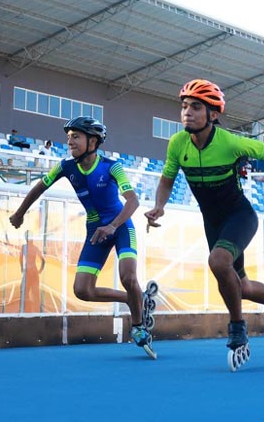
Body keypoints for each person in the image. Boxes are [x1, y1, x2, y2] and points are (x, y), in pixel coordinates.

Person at [143, 79, 264, 372]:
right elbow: (167, 179)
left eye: (196, 107)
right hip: (212, 222)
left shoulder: (230, 142)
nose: (187, 113)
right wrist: (159, 206)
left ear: (213, 114)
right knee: (240, 286)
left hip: (239, 216)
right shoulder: (177, 144)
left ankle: (237, 328)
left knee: (218, 261)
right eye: (184, 106)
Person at [9, 116, 160, 359]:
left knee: (128, 276)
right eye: (68, 137)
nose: (70, 141)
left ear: (94, 141)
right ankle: (136, 299)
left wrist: (112, 226)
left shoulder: (112, 166)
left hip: (120, 226)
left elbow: (133, 201)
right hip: (95, 231)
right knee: (82, 290)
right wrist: (19, 213)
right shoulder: (66, 166)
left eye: (76, 136)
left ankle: (138, 327)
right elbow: (40, 187)